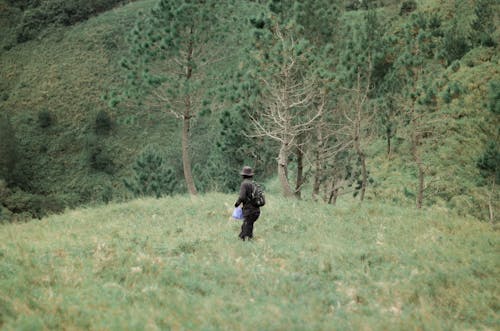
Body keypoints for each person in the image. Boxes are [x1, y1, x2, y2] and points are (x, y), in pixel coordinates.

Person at [235, 166, 261, 241]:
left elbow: (242, 197)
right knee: (249, 225)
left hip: (249, 210)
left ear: (243, 175)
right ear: (251, 175)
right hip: (256, 210)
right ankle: (248, 239)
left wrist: (237, 204)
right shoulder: (254, 184)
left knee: (246, 225)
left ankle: (244, 239)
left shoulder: (244, 184)